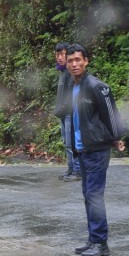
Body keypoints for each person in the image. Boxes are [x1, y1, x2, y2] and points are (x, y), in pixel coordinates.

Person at [66, 44, 125, 256]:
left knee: (94, 195)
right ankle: (93, 239)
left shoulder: (97, 86)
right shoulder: (74, 88)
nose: (74, 64)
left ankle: (100, 243)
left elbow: (111, 114)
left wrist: (116, 137)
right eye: (70, 60)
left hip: (97, 149)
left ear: (86, 61)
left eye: (78, 60)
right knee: (88, 195)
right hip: (83, 149)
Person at [54, 41, 81, 181]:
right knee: (66, 142)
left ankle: (77, 171)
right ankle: (71, 169)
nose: (60, 57)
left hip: (70, 112)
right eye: (57, 54)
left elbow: (72, 95)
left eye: (62, 54)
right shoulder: (62, 72)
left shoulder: (70, 72)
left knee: (72, 142)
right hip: (63, 113)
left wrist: (62, 108)